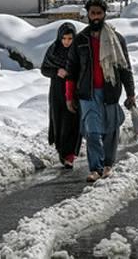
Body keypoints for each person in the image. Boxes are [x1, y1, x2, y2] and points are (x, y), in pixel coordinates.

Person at [66, 0, 136, 183]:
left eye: (99, 13)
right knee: (92, 132)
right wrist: (69, 96)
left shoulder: (116, 39)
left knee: (110, 131)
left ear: (104, 14)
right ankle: (95, 168)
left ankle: (108, 165)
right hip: (87, 94)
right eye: (92, 13)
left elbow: (125, 68)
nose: (96, 17)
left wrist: (131, 93)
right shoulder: (81, 40)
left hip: (110, 91)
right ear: (87, 15)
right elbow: (71, 69)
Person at [41, 22, 81, 169]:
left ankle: (70, 154)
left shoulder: (78, 51)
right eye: (64, 38)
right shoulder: (53, 50)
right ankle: (62, 152)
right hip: (57, 90)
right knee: (58, 121)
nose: (66, 42)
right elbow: (44, 69)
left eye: (70, 39)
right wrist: (56, 71)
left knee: (72, 121)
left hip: (74, 90)